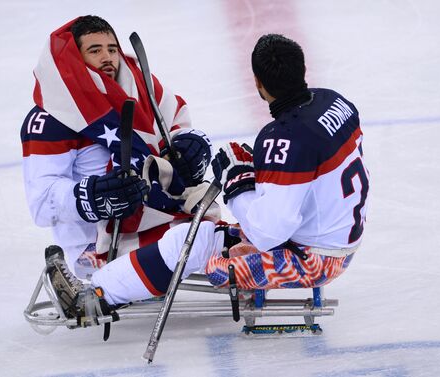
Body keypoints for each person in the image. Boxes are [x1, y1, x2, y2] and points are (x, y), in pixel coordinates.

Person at [44, 33, 369, 329]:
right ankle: (97, 293)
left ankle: (97, 297)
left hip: (313, 258)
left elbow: (267, 233)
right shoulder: (332, 101)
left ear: (257, 82)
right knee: (191, 237)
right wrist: (258, 166)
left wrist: (237, 180)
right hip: (325, 236)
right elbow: (311, 174)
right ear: (302, 69)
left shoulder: (284, 137)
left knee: (214, 264)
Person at [20, 15, 215, 318]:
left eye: (112, 48)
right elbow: (42, 202)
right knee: (202, 240)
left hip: (158, 215)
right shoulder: (50, 117)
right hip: (94, 243)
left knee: (212, 234)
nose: (108, 57)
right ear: (75, 56)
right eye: (95, 50)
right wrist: (93, 197)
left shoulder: (138, 85)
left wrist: (190, 145)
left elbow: (175, 123)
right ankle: (96, 292)